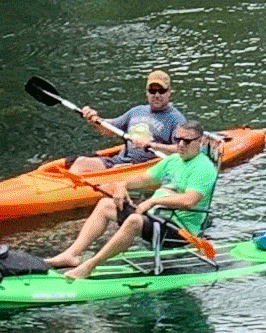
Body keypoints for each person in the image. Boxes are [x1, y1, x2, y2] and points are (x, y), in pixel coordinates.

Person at [48, 127, 222, 281]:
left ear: (199, 142)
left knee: (134, 221)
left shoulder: (204, 168)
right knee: (105, 204)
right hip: (156, 216)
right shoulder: (173, 160)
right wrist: (123, 185)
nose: (181, 144)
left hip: (179, 230)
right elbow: (143, 178)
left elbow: (190, 201)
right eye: (178, 140)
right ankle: (72, 255)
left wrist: (153, 200)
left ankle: (90, 266)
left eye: (187, 141)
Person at [66, 69, 191, 174]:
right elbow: (109, 130)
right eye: (152, 91)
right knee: (81, 162)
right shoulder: (136, 111)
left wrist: (152, 145)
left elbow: (183, 150)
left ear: (169, 92)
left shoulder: (176, 119)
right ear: (147, 93)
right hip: (120, 161)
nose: (157, 95)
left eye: (161, 91)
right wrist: (94, 119)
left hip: (143, 168)